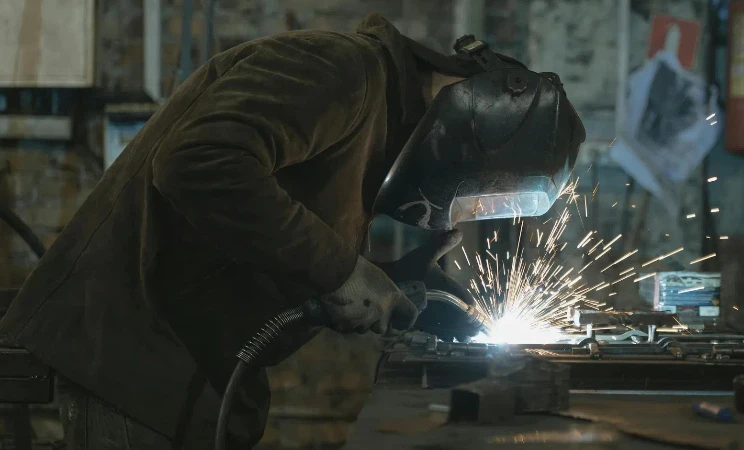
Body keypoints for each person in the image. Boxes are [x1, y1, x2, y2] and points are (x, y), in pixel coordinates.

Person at [0, 13, 584, 449]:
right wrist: (338, 270)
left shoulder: (377, 128)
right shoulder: (339, 70)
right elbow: (198, 162)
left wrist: (388, 279)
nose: (456, 212)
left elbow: (267, 233)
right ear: (483, 117)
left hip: (189, 375)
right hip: (127, 362)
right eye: (478, 192)